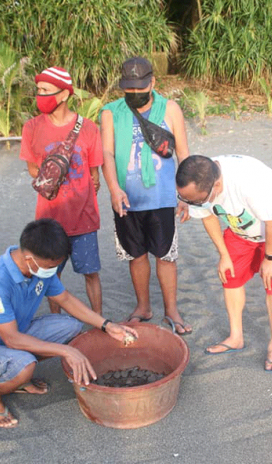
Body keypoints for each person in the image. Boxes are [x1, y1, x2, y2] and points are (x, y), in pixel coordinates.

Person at [0, 219, 138, 428]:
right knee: (25, 365)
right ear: (29, 258)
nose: (53, 270)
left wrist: (107, 325)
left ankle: (14, 375)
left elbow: (65, 299)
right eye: (51, 266)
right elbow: (11, 339)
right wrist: (66, 351)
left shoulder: (39, 268)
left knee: (70, 326)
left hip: (15, 334)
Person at [176, 155, 272, 371]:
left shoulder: (249, 184)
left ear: (218, 185)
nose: (191, 205)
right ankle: (236, 336)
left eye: (195, 201)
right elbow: (208, 216)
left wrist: (270, 259)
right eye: (186, 199)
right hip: (240, 228)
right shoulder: (198, 180)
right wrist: (223, 255)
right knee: (229, 275)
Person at [100, 56, 192, 334]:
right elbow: (107, 152)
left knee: (166, 256)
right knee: (135, 254)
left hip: (162, 196)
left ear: (153, 82)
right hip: (127, 198)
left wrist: (184, 195)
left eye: (141, 89)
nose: (136, 95)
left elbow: (183, 153)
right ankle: (143, 307)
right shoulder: (110, 112)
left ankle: (171, 310)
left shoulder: (170, 109)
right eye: (130, 90)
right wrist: (114, 189)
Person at [20, 66, 103, 315]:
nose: (40, 95)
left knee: (91, 273)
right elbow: (33, 170)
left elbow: (95, 174)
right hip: (49, 220)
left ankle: (97, 321)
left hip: (84, 219)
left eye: (46, 90)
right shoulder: (31, 128)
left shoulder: (88, 128)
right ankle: (56, 321)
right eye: (38, 91)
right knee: (49, 275)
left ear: (65, 94)